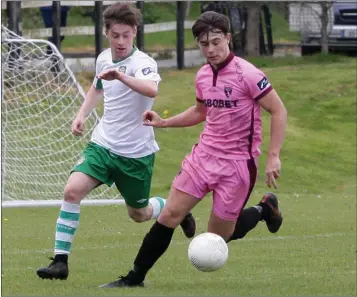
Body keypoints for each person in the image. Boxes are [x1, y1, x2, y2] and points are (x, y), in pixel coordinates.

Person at [99, 10, 288, 288]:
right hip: (203, 157)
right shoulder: (202, 75)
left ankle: (263, 210)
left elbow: (278, 110)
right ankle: (134, 278)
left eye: (215, 42)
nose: (210, 50)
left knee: (218, 236)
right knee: (169, 215)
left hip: (237, 166)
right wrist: (164, 122)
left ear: (227, 38)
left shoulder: (248, 74)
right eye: (203, 44)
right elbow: (201, 111)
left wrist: (273, 156)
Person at [36, 2, 195, 281]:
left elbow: (151, 89)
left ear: (134, 32)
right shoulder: (103, 58)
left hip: (135, 153)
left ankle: (175, 211)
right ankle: (60, 263)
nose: (121, 41)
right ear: (107, 32)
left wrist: (121, 75)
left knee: (139, 213)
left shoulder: (143, 63)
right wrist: (81, 115)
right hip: (102, 145)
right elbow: (97, 88)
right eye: (115, 35)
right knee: (72, 191)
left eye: (126, 35)